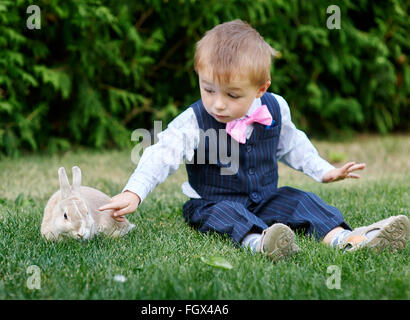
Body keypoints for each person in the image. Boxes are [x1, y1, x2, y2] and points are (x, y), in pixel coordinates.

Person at [98, 20, 409, 260]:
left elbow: (293, 145)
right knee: (226, 215)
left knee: (302, 200)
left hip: (264, 198)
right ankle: (264, 243)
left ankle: (351, 240)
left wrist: (324, 170)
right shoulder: (193, 120)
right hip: (212, 201)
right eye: (208, 90)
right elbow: (161, 154)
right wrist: (133, 192)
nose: (218, 104)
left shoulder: (276, 107)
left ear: (261, 88)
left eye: (232, 95)